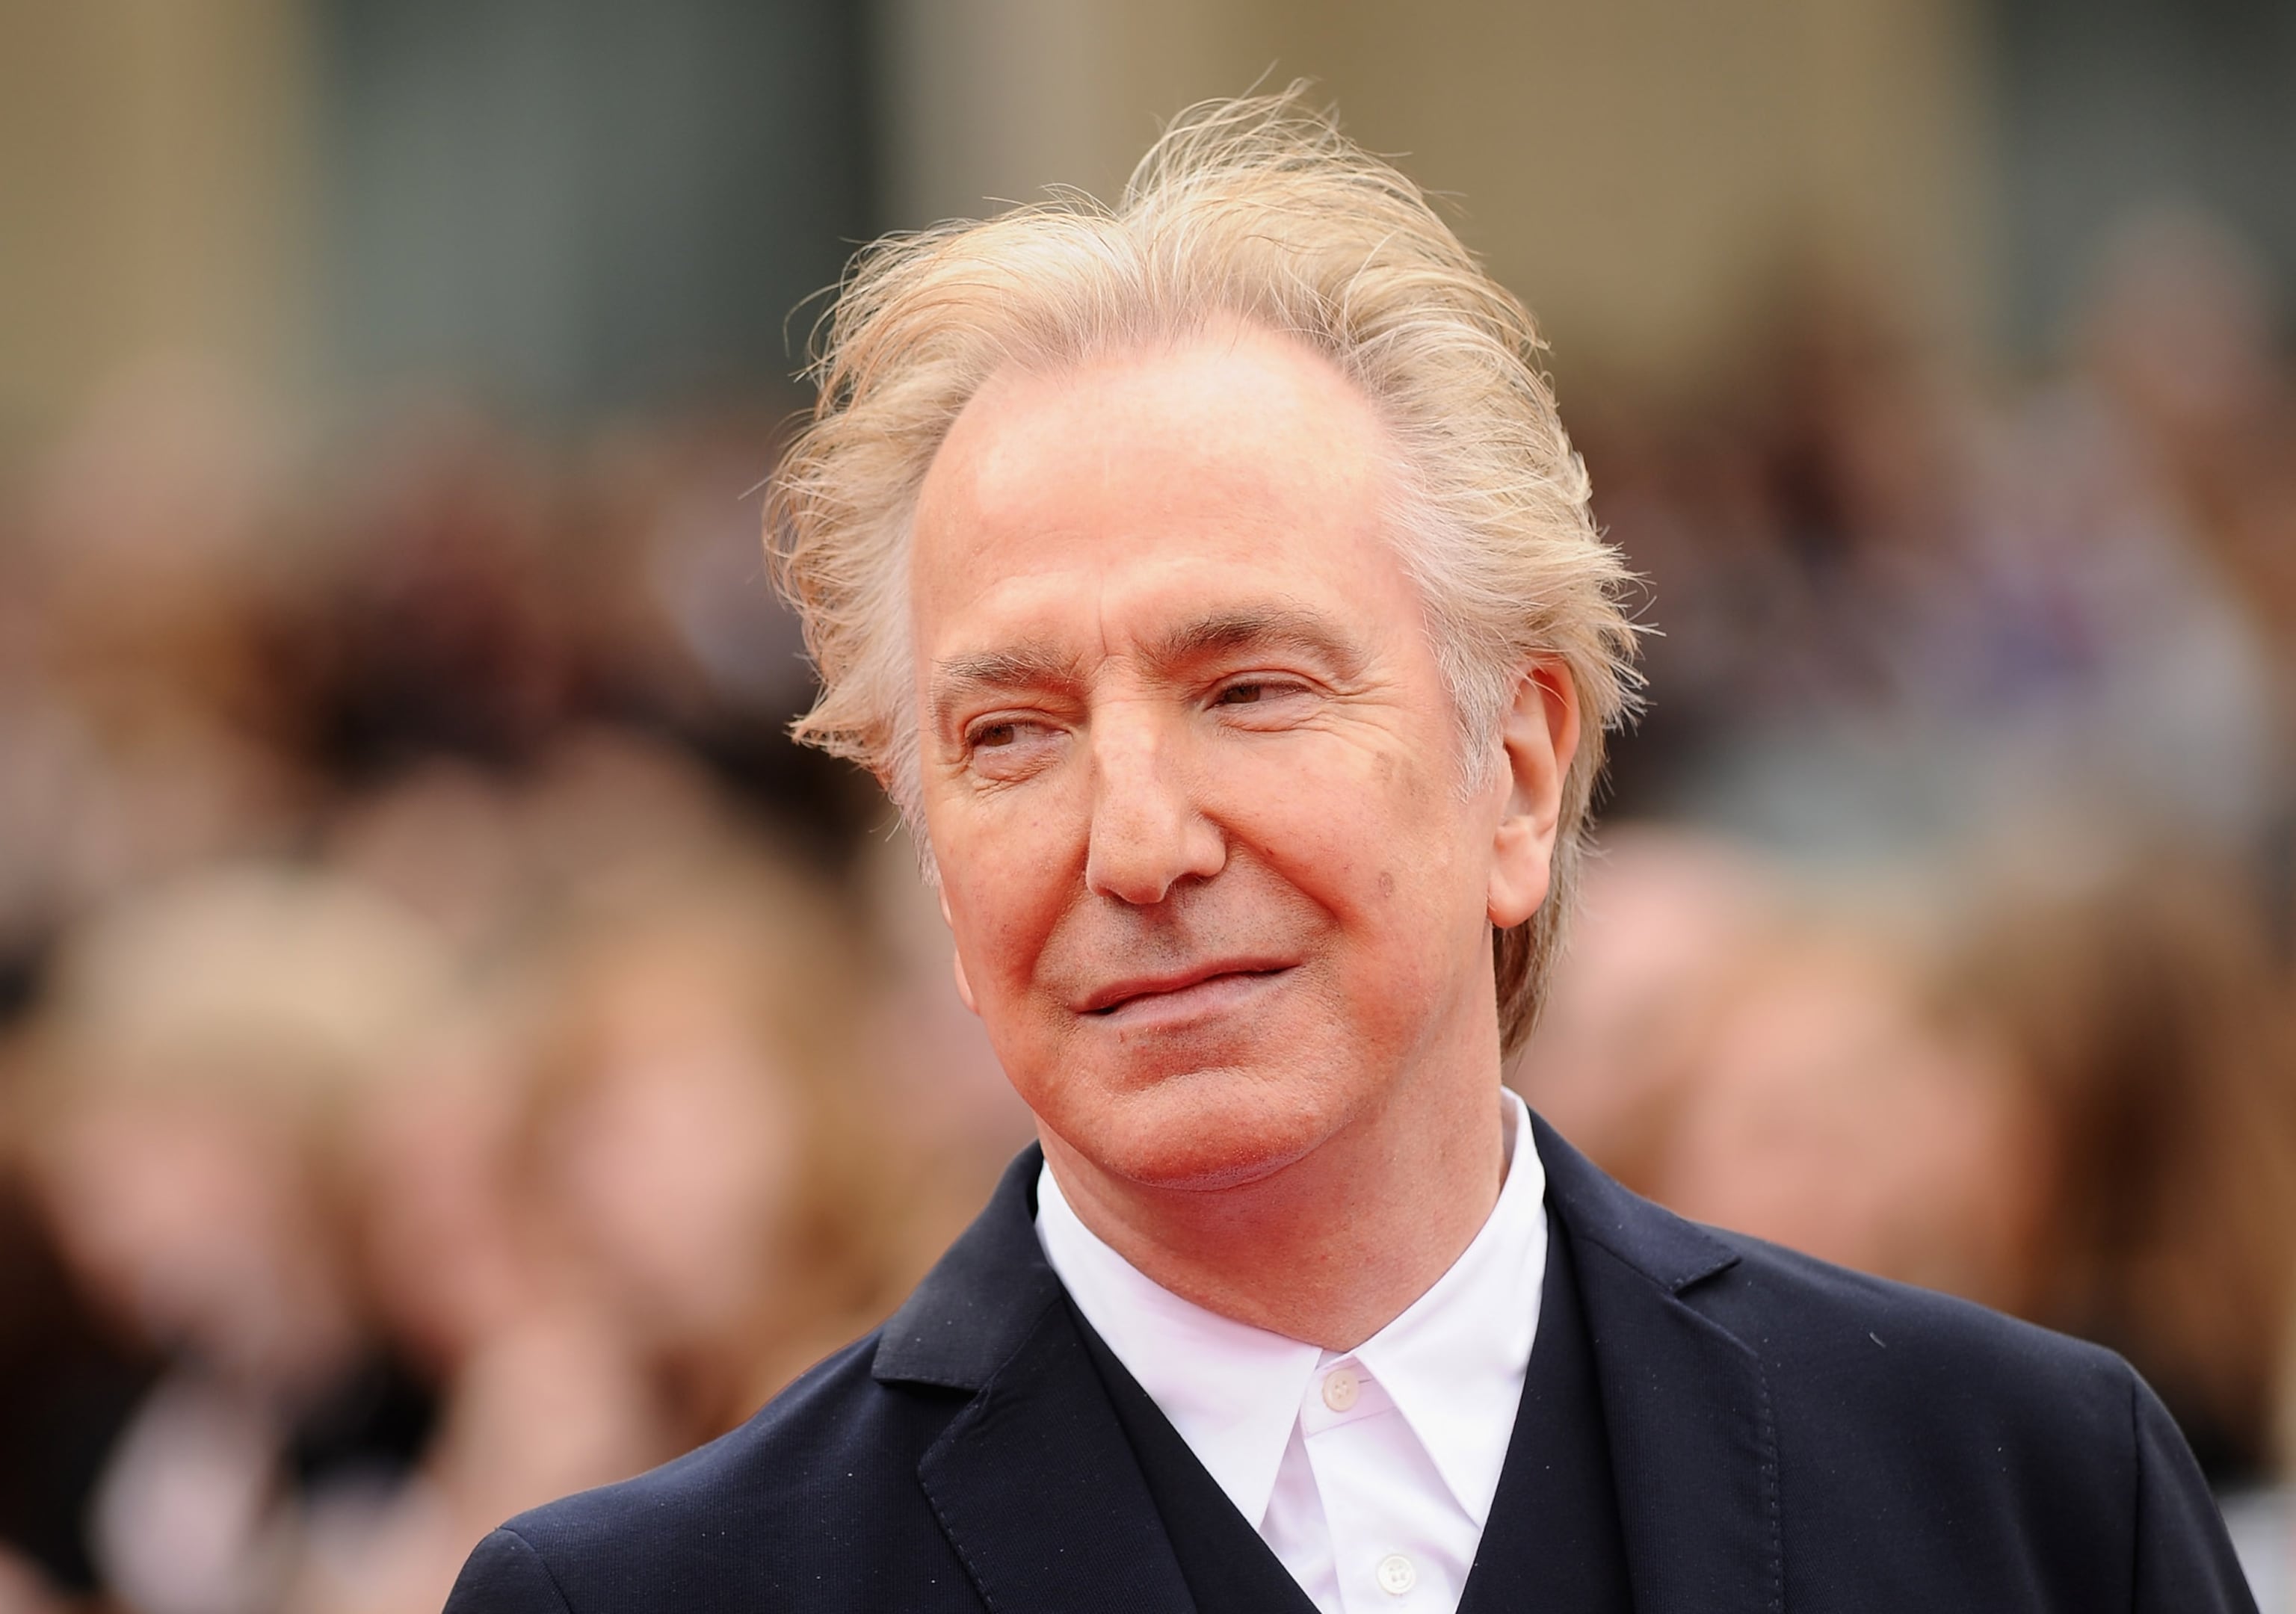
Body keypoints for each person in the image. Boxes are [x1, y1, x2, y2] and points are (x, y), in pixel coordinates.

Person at [445, 92, 2257, 1613]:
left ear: (1520, 770)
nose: (1137, 844)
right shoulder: (648, 1604)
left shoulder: (2020, 1500)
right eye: (1012, 735)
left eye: (1248, 688)